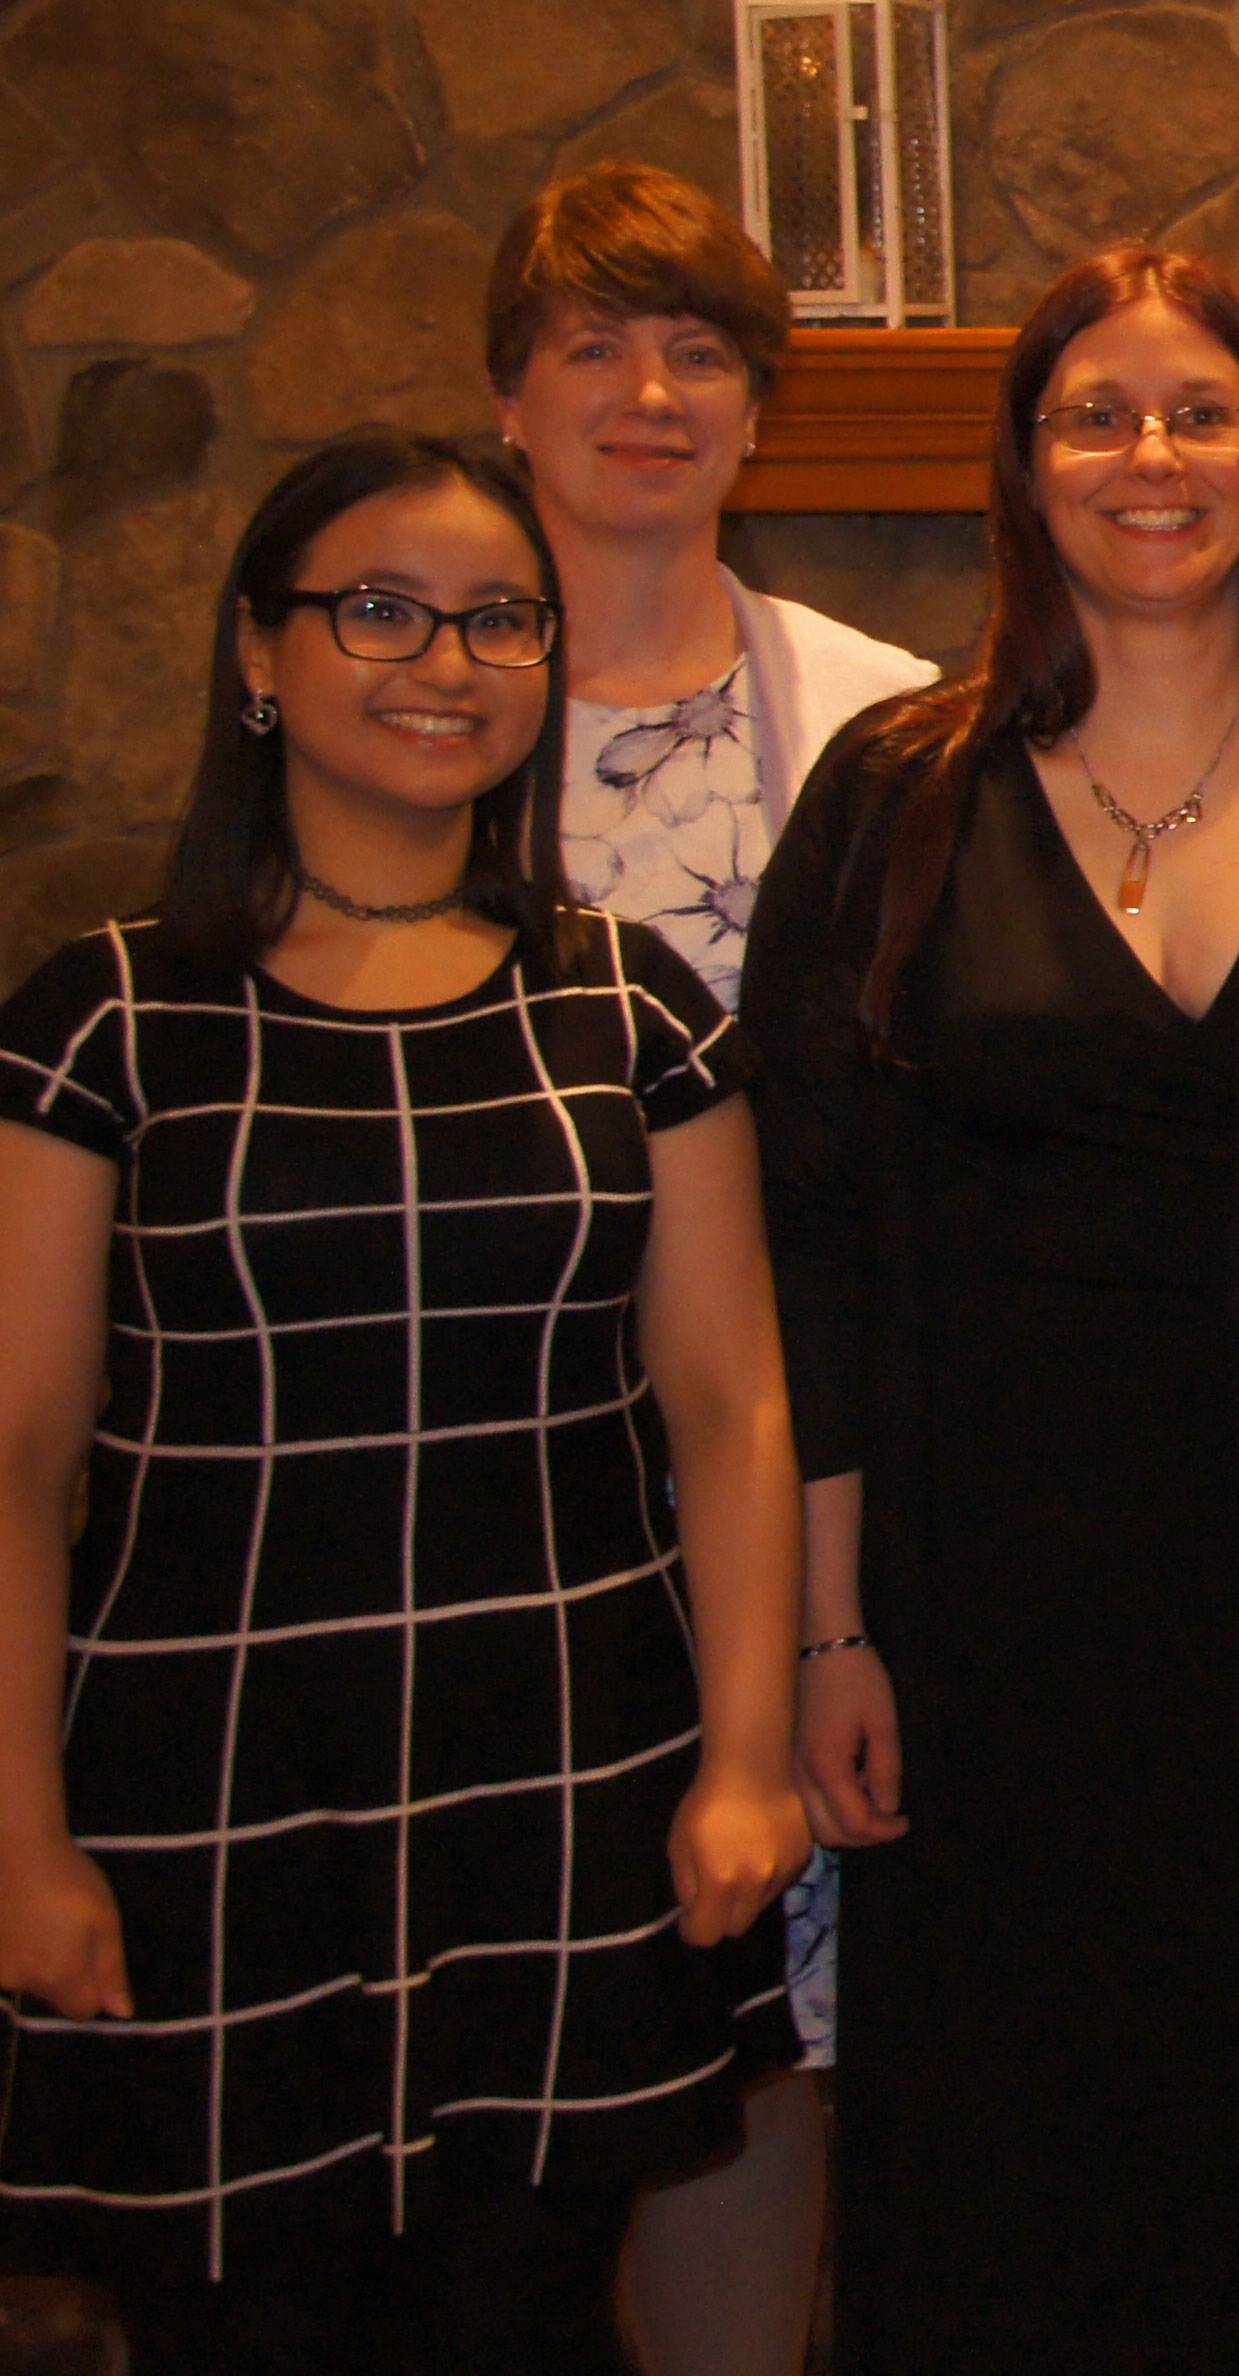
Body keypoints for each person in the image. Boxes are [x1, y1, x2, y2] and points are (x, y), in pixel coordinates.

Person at [738, 246, 1239, 2375]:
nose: (1152, 458)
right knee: (1042, 2212)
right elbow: (806, 1238)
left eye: (1201, 412)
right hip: (1007, 1633)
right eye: (1096, 414)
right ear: (1023, 467)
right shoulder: (893, 789)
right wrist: (828, 1630)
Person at [0, 434, 810, 2374]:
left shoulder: (623, 1011)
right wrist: (20, 1839)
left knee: (525, 2319)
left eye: (496, 622)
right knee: (241, 2329)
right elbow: (20, 1459)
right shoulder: (110, 1016)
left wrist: (746, 1756)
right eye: (379, 609)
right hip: (207, 1804)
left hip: (559, 1782)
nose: (442, 659)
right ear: (261, 656)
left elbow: (728, 1405)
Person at [479, 158, 934, 2376]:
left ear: (759, 411)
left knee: (762, 2047)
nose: (650, 395)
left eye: (701, 356)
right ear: (508, 397)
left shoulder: (883, 719)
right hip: (479, 1503)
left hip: (786, 1502)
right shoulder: (419, 692)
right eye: (596, 345)